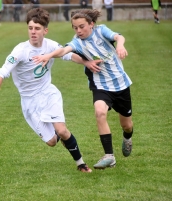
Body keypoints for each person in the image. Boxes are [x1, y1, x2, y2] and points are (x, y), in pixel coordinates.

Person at [0, 8, 102, 173]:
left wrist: (86, 63)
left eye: (37, 28)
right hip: (29, 102)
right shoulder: (20, 51)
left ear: (45, 30)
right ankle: (62, 137)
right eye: (30, 28)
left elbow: (69, 55)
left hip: (48, 93)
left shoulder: (50, 45)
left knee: (62, 130)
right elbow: (2, 73)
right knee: (52, 141)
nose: (33, 32)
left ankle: (81, 163)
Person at [32, 9, 134, 170]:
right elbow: (64, 50)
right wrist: (49, 55)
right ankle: (109, 156)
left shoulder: (101, 31)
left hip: (120, 84)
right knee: (100, 112)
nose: (78, 31)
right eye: (75, 27)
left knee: (127, 125)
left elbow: (118, 37)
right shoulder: (77, 42)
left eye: (81, 27)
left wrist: (120, 45)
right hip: (101, 85)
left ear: (91, 24)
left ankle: (128, 138)